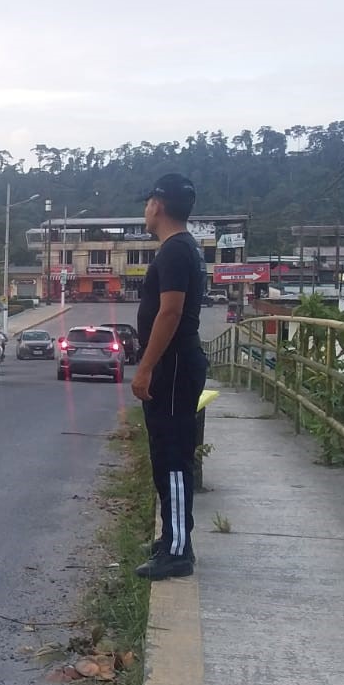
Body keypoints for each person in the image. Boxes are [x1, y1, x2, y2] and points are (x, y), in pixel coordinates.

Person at [131, 173, 209, 580]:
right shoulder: (182, 248)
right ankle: (174, 538)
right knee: (165, 454)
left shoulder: (175, 251)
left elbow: (171, 312)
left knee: (173, 457)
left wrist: (146, 366)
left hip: (174, 365)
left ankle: (177, 551)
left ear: (157, 205)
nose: (145, 210)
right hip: (176, 363)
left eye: (147, 203)